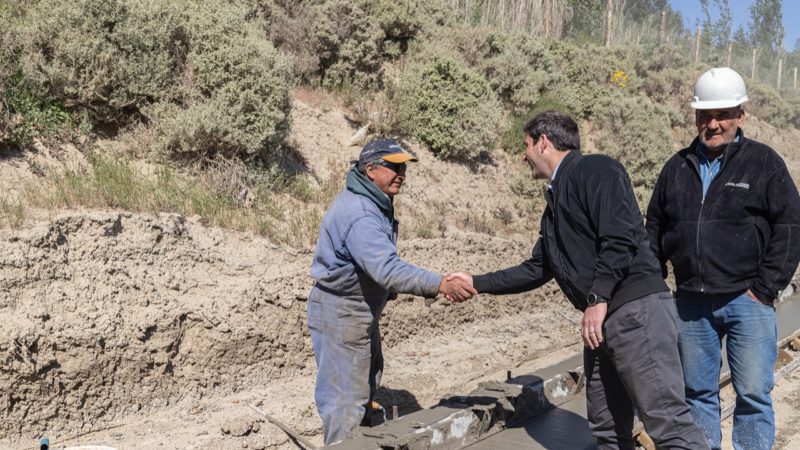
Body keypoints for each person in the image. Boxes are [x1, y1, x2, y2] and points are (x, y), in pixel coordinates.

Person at [448, 111, 709, 449]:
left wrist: (598, 299)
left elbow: (619, 238)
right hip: (600, 322)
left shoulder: (597, 170)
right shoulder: (553, 206)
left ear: (543, 142)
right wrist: (476, 282)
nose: (523, 155)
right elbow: (537, 268)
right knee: (607, 427)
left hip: (635, 311)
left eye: (525, 145)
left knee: (667, 421)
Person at [646, 67, 800, 450]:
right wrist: (655, 289)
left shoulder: (763, 163)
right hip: (691, 304)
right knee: (697, 393)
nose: (713, 124)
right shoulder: (676, 168)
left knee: (752, 394)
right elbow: (653, 230)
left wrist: (764, 289)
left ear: (740, 116)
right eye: (705, 116)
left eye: (722, 115)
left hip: (746, 300)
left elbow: (791, 226)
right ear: (696, 117)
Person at [307, 138, 475, 445]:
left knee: (366, 383)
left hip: (357, 309)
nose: (402, 174)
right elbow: (388, 270)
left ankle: (366, 440)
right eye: (394, 167)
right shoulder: (361, 215)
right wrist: (439, 284)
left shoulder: (371, 200)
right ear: (370, 169)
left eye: (404, 167)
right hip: (342, 311)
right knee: (345, 402)